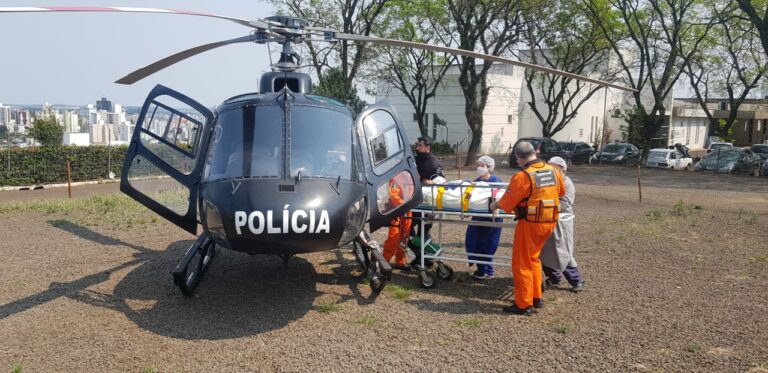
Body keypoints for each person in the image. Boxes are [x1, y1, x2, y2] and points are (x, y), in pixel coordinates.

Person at [490, 141, 565, 316]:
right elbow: (561, 191)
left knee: (522, 262)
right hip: (550, 220)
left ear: (518, 158)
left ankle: (524, 304)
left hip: (531, 223)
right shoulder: (553, 170)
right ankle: (536, 297)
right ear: (534, 153)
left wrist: (495, 205)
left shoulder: (523, 176)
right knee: (534, 259)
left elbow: (507, 203)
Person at [539, 157, 585, 293]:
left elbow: (565, 203)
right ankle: (554, 277)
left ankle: (576, 280)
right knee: (544, 251)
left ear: (561, 169)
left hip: (561, 221)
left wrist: (544, 203)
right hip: (545, 219)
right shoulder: (547, 181)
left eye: (553, 167)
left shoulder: (567, 183)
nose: (550, 170)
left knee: (562, 250)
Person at [465, 155, 503, 280]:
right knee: (476, 242)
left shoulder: (496, 181)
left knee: (489, 244)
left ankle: (489, 270)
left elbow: (500, 197)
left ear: (489, 167)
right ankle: (481, 270)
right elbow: (469, 197)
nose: (479, 168)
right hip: (478, 217)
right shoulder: (476, 181)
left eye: (483, 166)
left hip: (492, 218)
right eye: (478, 165)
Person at [409, 136, 444, 269]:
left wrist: (431, 181)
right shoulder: (414, 159)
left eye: (420, 145)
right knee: (409, 234)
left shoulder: (434, 162)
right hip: (413, 202)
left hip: (428, 204)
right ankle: (419, 258)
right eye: (417, 145)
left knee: (423, 232)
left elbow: (441, 179)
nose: (417, 148)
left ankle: (427, 260)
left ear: (427, 148)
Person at [383, 174, 413, 271]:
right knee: (393, 237)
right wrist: (404, 204)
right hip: (396, 210)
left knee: (404, 237)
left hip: (407, 210)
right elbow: (393, 195)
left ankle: (400, 261)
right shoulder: (396, 177)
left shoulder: (411, 176)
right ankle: (384, 262)